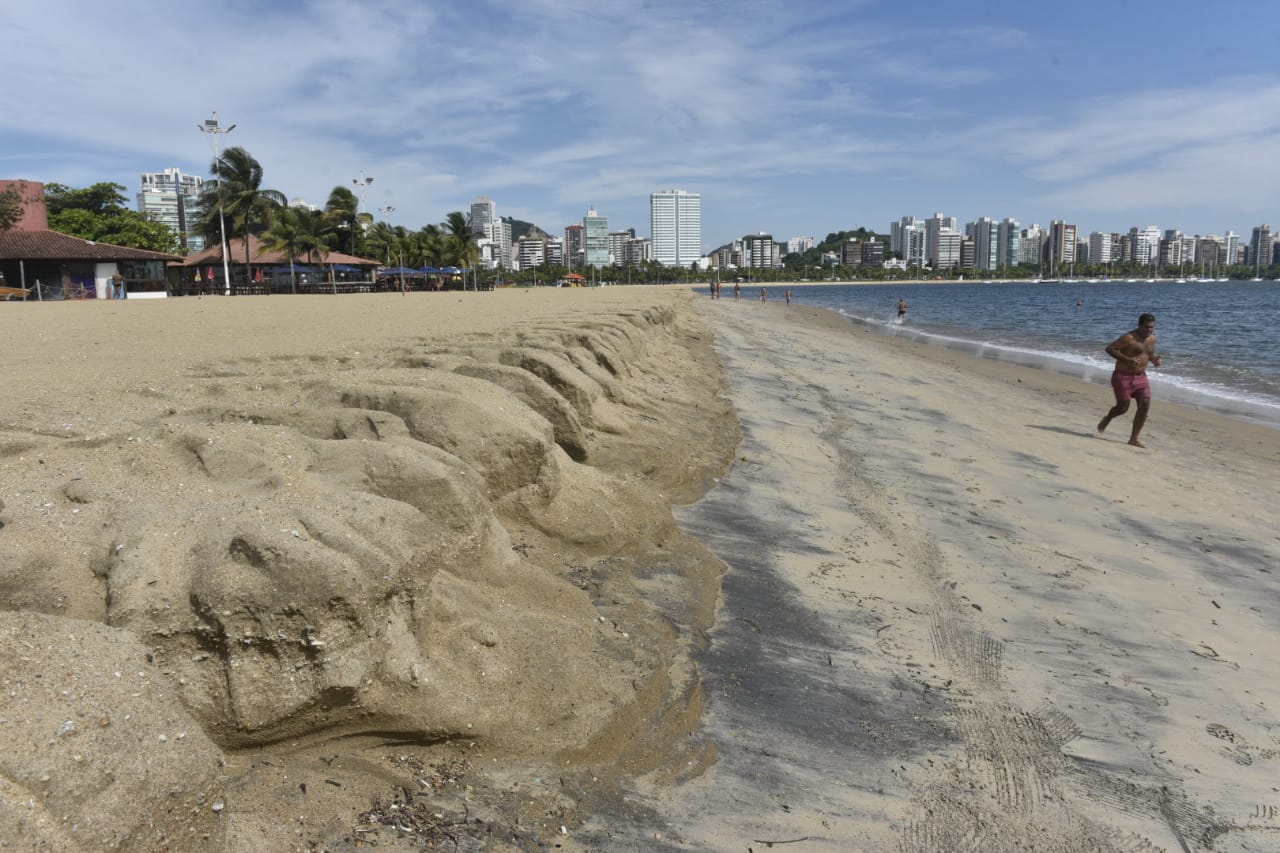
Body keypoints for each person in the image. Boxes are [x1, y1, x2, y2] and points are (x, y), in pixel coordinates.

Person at [1097, 313, 1162, 448]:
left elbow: (1147, 354)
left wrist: (1154, 360)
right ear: (1139, 326)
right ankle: (1108, 418)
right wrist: (1127, 360)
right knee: (1122, 408)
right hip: (1123, 376)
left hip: (1141, 376)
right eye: (1146, 327)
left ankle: (1134, 439)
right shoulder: (1129, 337)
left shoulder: (1152, 339)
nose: (1149, 330)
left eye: (1152, 327)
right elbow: (1110, 349)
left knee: (1144, 406)